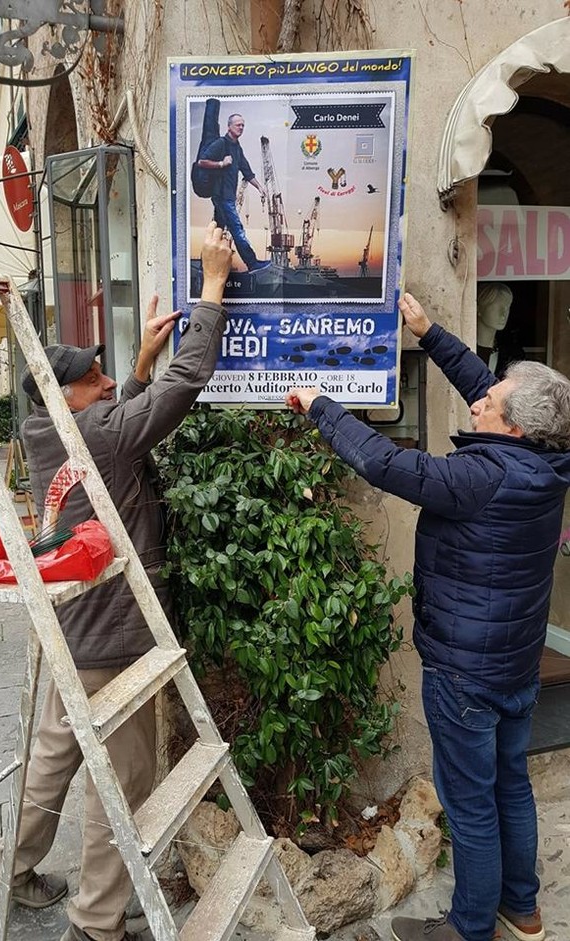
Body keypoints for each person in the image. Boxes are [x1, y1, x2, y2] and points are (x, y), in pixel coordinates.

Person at [0, 222, 232, 941]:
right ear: (65, 394)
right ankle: (96, 921)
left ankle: (6, 868)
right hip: (117, 634)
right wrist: (212, 287)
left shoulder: (48, 432)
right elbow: (181, 390)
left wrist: (142, 359)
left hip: (71, 629)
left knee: (54, 753)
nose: (109, 378)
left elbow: (120, 417)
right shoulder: (100, 434)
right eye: (93, 375)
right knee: (123, 778)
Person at [286, 292, 570, 941]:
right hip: (514, 662)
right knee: (509, 784)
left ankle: (469, 927)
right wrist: (429, 332)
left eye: (489, 406)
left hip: (464, 672)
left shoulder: (480, 475)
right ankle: (522, 911)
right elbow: (493, 390)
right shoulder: (549, 460)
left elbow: (386, 462)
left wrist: (319, 403)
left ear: (513, 427)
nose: (479, 402)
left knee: (470, 803)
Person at [198, 113, 271, 273]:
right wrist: (220, 163)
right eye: (238, 125)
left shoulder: (237, 148)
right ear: (229, 126)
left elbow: (247, 171)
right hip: (222, 195)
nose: (241, 128)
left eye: (243, 125)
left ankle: (203, 266)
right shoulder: (220, 144)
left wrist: (259, 187)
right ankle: (252, 263)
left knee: (217, 231)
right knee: (237, 229)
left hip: (228, 196)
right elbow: (202, 162)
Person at [476, 282, 513, 369]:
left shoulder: (510, 354)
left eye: (507, 308)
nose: (503, 314)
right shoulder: (463, 348)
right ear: (479, 309)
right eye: (496, 307)